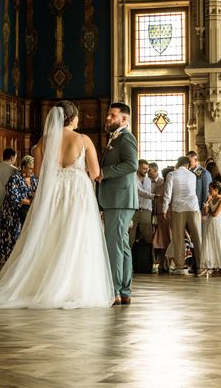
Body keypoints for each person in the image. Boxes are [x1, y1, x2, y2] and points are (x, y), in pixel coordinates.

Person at [0, 101, 114, 309]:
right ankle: (71, 286)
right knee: (77, 236)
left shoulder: (44, 141)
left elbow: (39, 173)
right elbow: (95, 173)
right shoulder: (83, 139)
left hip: (53, 193)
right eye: (77, 116)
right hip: (77, 193)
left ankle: (45, 284)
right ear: (72, 117)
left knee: (51, 235)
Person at [98, 102, 139, 305]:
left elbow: (132, 165)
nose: (108, 118)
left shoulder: (126, 138)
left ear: (124, 119)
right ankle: (124, 290)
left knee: (114, 245)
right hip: (118, 199)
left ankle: (115, 289)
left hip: (119, 199)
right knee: (122, 245)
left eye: (112, 116)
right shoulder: (116, 138)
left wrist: (103, 173)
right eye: (108, 115)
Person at [0, 155, 38, 264]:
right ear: (23, 167)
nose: (32, 171)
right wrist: (32, 201)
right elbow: (14, 197)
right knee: (13, 238)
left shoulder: (33, 179)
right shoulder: (15, 178)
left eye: (33, 168)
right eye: (29, 168)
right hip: (13, 214)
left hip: (27, 213)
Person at [162, 156, 203, 275]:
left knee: (178, 238)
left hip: (178, 209)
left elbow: (168, 193)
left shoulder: (172, 175)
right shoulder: (193, 175)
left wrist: (164, 208)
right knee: (197, 237)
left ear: (178, 163)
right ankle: (200, 265)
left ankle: (180, 266)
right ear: (187, 165)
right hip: (193, 208)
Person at [150, 164, 171, 273]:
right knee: (167, 239)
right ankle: (166, 263)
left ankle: (163, 263)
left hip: (161, 215)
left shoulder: (160, 186)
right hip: (167, 215)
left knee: (163, 240)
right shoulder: (168, 186)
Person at [129, 159, 155, 247]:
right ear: (137, 168)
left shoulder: (148, 180)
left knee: (148, 237)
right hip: (134, 211)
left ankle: (151, 259)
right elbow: (138, 191)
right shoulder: (132, 178)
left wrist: (150, 209)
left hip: (146, 211)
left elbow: (149, 194)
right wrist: (153, 196)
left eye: (147, 169)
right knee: (130, 238)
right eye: (144, 168)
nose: (146, 171)